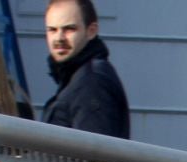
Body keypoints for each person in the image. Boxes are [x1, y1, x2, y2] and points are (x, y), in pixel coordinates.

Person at [41, 0, 129, 139]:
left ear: (91, 31)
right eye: (52, 30)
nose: (59, 38)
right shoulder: (77, 79)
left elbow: (96, 153)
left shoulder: (92, 82)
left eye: (69, 29)